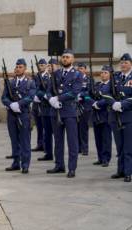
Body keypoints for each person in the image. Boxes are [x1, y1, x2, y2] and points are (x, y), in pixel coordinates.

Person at [46, 49, 82, 178]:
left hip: (69, 111)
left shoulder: (77, 75)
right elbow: (49, 90)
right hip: (55, 111)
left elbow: (74, 92)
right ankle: (59, 165)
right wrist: (50, 99)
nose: (65, 59)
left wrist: (59, 98)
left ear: (72, 59)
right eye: (63, 57)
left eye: (67, 57)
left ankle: (72, 168)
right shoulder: (55, 73)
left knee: (72, 141)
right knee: (58, 140)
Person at [101, 53, 132, 182]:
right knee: (119, 146)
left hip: (128, 116)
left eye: (126, 62)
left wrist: (122, 104)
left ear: (130, 63)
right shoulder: (115, 77)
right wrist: (114, 103)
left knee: (128, 147)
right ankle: (120, 170)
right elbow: (105, 92)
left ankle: (128, 172)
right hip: (115, 116)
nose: (123, 65)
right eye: (122, 63)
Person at [2, 58, 36, 173]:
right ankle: (16, 162)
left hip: (24, 114)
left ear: (25, 68)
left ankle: (25, 164)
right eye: (16, 67)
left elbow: (30, 97)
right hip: (11, 114)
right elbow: (4, 97)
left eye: (20, 67)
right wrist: (10, 104)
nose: (17, 69)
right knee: (14, 139)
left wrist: (19, 104)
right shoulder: (10, 82)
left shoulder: (30, 82)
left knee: (25, 140)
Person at [91, 65, 113, 167]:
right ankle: (100, 157)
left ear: (110, 75)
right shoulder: (97, 85)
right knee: (98, 138)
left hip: (106, 114)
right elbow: (88, 95)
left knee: (106, 138)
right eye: (102, 72)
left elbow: (110, 98)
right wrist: (92, 103)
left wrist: (98, 104)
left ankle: (106, 159)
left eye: (105, 73)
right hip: (96, 115)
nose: (103, 74)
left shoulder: (112, 86)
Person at [34, 58, 54, 161]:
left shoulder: (56, 78)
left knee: (56, 133)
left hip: (55, 107)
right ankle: (48, 152)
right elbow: (38, 89)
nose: (50, 68)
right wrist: (45, 95)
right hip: (45, 107)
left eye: (51, 66)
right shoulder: (42, 77)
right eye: (49, 66)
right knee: (46, 132)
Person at [76, 62, 92, 156]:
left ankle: (85, 148)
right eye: (78, 69)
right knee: (76, 128)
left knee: (83, 128)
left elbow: (89, 92)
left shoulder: (89, 80)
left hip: (85, 106)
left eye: (81, 69)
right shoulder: (75, 80)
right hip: (76, 106)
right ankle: (78, 147)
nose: (79, 70)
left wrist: (81, 95)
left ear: (85, 69)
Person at [31, 59, 46, 152]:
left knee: (44, 126)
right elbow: (34, 87)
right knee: (38, 125)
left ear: (45, 66)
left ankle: (45, 144)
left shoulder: (48, 77)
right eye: (39, 65)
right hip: (36, 104)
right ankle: (39, 144)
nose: (40, 67)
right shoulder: (37, 76)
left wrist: (39, 96)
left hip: (43, 103)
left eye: (42, 65)